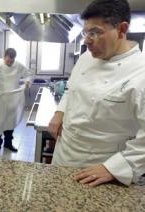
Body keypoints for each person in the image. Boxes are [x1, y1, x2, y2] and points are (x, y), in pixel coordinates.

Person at [49, 0, 145, 187]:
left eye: (96, 33)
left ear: (122, 30)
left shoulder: (140, 72)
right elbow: (71, 88)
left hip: (100, 171)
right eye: (86, 32)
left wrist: (116, 167)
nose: (87, 40)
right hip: (63, 156)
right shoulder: (86, 58)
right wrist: (59, 112)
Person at [0, 48, 34, 153]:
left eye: (11, 61)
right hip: (1, 99)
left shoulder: (18, 65)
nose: (10, 63)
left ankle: (8, 144)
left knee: (10, 122)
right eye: (8, 61)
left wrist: (27, 81)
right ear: (4, 57)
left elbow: (29, 74)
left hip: (13, 99)